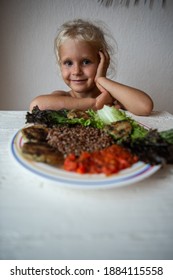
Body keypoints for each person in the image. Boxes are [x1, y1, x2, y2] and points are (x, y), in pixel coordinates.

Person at [30, 19, 153, 116]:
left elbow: (145, 106)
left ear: (101, 62)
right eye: (68, 63)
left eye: (86, 62)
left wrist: (101, 80)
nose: (76, 71)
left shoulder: (111, 98)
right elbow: (36, 105)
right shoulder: (63, 97)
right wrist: (95, 105)